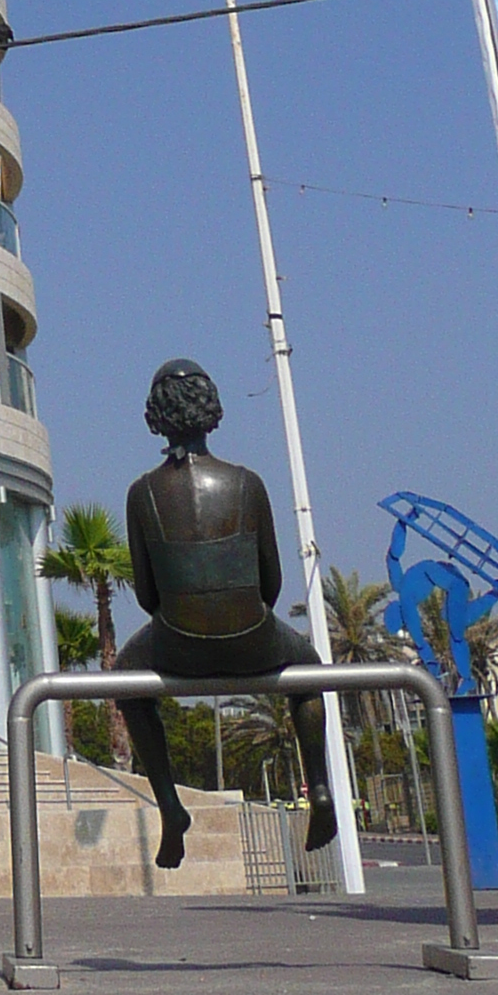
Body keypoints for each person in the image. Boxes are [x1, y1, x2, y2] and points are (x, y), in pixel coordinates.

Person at [115, 359, 335, 869]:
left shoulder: (142, 493)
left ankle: (170, 804)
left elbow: (149, 596)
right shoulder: (247, 483)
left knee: (126, 682)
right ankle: (319, 787)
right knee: (309, 672)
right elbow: (272, 584)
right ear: (211, 411)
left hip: (177, 641)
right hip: (254, 637)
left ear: (156, 416)